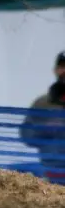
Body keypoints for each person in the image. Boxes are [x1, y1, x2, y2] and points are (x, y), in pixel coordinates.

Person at [20, 51, 65, 181]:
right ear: (56, 70)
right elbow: (26, 134)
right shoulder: (42, 103)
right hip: (50, 179)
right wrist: (43, 129)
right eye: (62, 66)